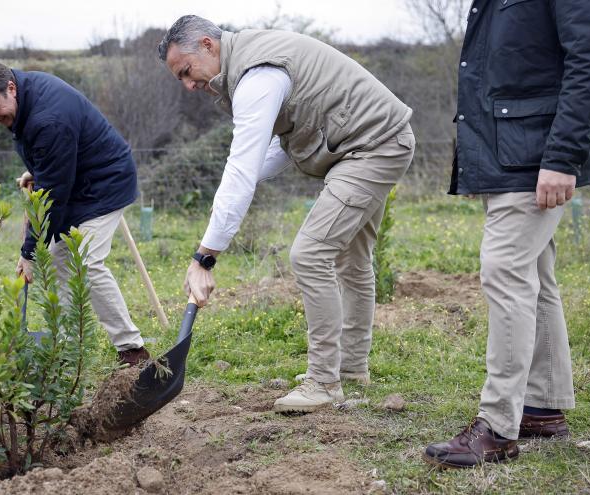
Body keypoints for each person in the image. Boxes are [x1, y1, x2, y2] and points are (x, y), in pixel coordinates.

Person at [157, 16, 415, 412]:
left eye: (186, 72)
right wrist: (230, 193)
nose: (189, 85)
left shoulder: (257, 75)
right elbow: (267, 154)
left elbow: (244, 166)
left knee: (310, 254)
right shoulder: (251, 62)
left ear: (207, 45)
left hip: (373, 146)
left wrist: (205, 256)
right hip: (366, 142)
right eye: (180, 79)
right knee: (353, 258)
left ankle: (324, 383)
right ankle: (350, 368)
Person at [423, 1, 590, 468]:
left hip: (540, 150)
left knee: (505, 270)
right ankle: (541, 406)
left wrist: (562, 156)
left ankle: (496, 426)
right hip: (512, 150)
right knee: (534, 273)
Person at [0, 59, 151, 366]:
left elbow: (52, 195)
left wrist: (29, 252)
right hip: (77, 179)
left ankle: (133, 350)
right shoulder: (25, 93)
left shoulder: (49, 119)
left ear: (10, 89)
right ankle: (66, 347)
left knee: (83, 261)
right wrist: (39, 168)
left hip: (104, 184)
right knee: (62, 257)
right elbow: (53, 160)